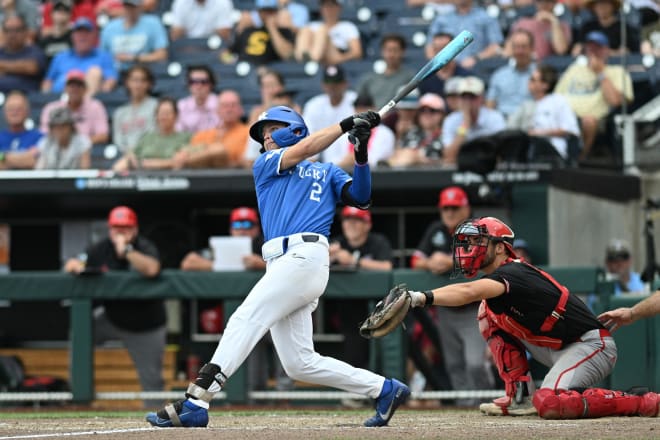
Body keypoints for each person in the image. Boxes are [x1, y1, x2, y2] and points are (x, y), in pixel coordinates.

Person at [146, 105, 410, 428]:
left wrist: (360, 150)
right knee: (299, 363)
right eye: (264, 132)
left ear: (295, 128)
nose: (266, 136)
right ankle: (384, 389)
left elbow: (362, 196)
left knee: (245, 317)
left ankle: (198, 398)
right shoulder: (267, 163)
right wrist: (344, 126)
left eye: (272, 128)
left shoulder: (326, 172)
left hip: (304, 256)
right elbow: (307, 148)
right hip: (283, 264)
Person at [402, 216, 659, 418]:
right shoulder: (499, 280)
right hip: (553, 344)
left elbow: (469, 291)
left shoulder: (515, 271)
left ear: (501, 248)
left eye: (480, 242)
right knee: (487, 313)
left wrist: (419, 297)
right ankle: (519, 397)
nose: (471, 248)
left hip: (590, 345)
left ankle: (640, 401)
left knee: (550, 403)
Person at [64, 205, 166, 408]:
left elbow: (152, 269)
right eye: (116, 228)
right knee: (81, 331)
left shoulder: (144, 246)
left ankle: (157, 423)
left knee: (152, 381)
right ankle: (80, 397)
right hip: (111, 318)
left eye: (126, 228)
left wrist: (127, 250)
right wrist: (75, 265)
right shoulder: (101, 248)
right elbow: (75, 263)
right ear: (110, 229)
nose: (120, 232)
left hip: (146, 325)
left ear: (135, 229)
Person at [411, 186, 492, 406]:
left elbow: (487, 260)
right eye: (446, 208)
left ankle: (486, 401)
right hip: (447, 308)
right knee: (454, 364)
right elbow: (415, 260)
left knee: (475, 363)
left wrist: (452, 261)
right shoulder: (436, 229)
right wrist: (430, 262)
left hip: (474, 309)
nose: (449, 212)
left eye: (455, 207)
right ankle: (465, 407)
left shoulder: (477, 228)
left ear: (466, 208)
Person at [327, 206, 393, 406]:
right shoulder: (338, 242)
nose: (351, 224)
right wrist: (329, 256)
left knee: (382, 354)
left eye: (357, 220)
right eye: (347, 220)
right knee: (352, 350)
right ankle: (356, 395)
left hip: (379, 309)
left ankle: (384, 392)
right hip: (347, 310)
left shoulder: (378, 242)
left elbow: (387, 267)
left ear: (367, 224)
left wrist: (354, 261)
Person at [555, 31, 633, 161]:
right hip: (566, 117)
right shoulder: (574, 69)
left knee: (589, 121)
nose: (593, 51)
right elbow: (556, 97)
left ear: (606, 50)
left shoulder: (617, 71)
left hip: (596, 120)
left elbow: (615, 101)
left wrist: (600, 73)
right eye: (590, 47)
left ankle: (580, 159)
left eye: (598, 47)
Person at [506, 64, 581, 164]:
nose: (529, 82)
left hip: (553, 149)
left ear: (545, 85)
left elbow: (570, 130)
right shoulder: (527, 104)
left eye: (533, 80)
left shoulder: (558, 100)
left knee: (534, 142)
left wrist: (537, 133)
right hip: (528, 144)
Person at [173, 90, 250, 169]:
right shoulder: (203, 134)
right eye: (225, 106)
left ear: (241, 110)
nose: (229, 109)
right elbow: (186, 153)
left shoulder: (249, 133)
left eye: (233, 105)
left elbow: (244, 161)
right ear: (217, 110)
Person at [41, 17, 118, 96]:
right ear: (72, 36)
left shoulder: (103, 57)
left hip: (87, 100)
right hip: (59, 100)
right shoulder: (60, 57)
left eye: (86, 33)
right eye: (79, 33)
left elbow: (110, 81)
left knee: (94, 72)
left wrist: (101, 95)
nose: (82, 36)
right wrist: (46, 98)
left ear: (94, 36)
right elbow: (48, 81)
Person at [112, 97, 191, 171]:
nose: (164, 117)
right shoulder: (148, 137)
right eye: (161, 113)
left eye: (167, 113)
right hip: (142, 178)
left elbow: (181, 161)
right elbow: (131, 156)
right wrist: (131, 157)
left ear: (176, 116)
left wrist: (148, 163)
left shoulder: (186, 137)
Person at [441, 76, 506, 165]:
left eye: (472, 97)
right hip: (461, 168)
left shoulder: (494, 118)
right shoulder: (451, 120)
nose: (467, 102)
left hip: (488, 167)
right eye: (463, 97)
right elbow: (449, 155)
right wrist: (465, 124)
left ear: (481, 98)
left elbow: (502, 154)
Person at [301, 64, 356, 164]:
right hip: (320, 157)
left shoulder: (355, 101)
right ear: (323, 85)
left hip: (348, 157)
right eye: (329, 83)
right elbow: (307, 136)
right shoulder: (313, 105)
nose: (332, 87)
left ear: (345, 84)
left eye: (336, 83)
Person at [426, 0, 504, 70]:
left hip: (476, 69)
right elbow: (430, 46)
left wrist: (476, 58)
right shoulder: (442, 19)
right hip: (445, 69)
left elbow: (496, 46)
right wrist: (438, 66)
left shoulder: (485, 17)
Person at [40, 70, 110, 146]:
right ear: (65, 88)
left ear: (85, 89)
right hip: (57, 150)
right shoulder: (51, 108)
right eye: (71, 85)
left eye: (79, 85)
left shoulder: (95, 106)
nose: (75, 89)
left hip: (86, 150)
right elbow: (44, 135)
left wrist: (76, 146)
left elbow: (103, 136)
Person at [99, 0, 168, 73]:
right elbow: (103, 55)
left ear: (141, 7)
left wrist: (133, 58)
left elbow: (162, 55)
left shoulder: (153, 23)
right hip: (116, 72)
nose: (130, 10)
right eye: (127, 6)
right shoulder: (110, 27)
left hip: (144, 71)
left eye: (133, 6)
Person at [335, 94, 395, 170]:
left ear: (373, 109)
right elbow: (332, 159)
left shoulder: (385, 133)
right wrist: (348, 160)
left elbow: (380, 162)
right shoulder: (343, 132)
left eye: (365, 109)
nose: (361, 113)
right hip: (343, 174)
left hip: (373, 175)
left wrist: (355, 158)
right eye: (358, 109)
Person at [355, 33, 415, 110]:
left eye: (395, 50)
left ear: (402, 52)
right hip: (373, 119)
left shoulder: (410, 78)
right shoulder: (369, 79)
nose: (391, 55)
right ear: (382, 52)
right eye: (388, 50)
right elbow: (359, 106)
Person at [485, 29, 535, 119]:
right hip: (502, 123)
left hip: (530, 122)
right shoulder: (499, 75)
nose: (520, 51)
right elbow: (490, 106)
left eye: (524, 47)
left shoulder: (539, 75)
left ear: (531, 48)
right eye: (516, 47)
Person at [294, 0, 362, 65]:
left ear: (339, 8)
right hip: (315, 51)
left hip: (336, 53)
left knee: (322, 30)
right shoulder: (312, 25)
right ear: (321, 9)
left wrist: (340, 59)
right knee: (306, 30)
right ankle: (300, 60)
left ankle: (312, 60)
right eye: (325, 6)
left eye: (332, 6)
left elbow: (357, 52)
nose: (329, 9)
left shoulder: (348, 26)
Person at [388, 93, 447, 167]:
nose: (427, 114)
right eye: (422, 110)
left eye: (432, 110)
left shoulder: (447, 134)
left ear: (442, 114)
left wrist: (421, 160)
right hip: (405, 174)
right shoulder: (410, 132)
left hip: (434, 175)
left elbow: (450, 162)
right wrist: (399, 135)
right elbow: (396, 155)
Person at [229, 0, 295, 66]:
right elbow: (228, 53)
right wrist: (238, 30)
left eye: (271, 11)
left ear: (277, 12)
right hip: (245, 67)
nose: (267, 15)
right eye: (264, 11)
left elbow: (288, 56)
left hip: (269, 70)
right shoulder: (248, 30)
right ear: (258, 12)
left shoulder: (284, 31)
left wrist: (272, 28)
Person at [111, 64, 158, 155]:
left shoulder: (156, 107)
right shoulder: (120, 112)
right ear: (127, 83)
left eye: (143, 80)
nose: (138, 84)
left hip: (150, 154)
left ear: (149, 84)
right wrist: (128, 153)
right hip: (125, 156)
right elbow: (118, 140)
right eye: (134, 80)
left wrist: (137, 152)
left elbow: (155, 135)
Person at [572, 0, 640, 56]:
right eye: (598, 4)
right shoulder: (587, 27)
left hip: (616, 67)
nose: (601, 7)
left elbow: (631, 52)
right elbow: (577, 49)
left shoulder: (623, 28)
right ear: (593, 7)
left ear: (612, 6)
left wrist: (611, 53)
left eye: (605, 3)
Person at [0, 13, 47, 93]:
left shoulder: (35, 51)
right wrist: (20, 67)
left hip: (27, 97)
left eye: (17, 30)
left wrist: (2, 67)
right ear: (3, 33)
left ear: (26, 32)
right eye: (8, 30)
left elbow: (32, 67)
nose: (12, 34)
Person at [418, 32, 472, 98]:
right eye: (437, 49)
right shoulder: (425, 79)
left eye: (444, 49)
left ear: (454, 49)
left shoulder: (465, 76)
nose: (440, 53)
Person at [0, 90, 43, 170]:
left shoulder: (39, 137)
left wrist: (3, 157)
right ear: (4, 112)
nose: (14, 113)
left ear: (27, 111)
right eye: (11, 109)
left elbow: (35, 162)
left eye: (19, 109)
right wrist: (23, 158)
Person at [175, 65, 219, 134]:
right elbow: (178, 132)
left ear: (211, 84)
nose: (199, 86)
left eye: (203, 82)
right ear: (188, 85)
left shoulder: (221, 104)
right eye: (194, 82)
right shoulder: (181, 106)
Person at [168, 0, 235, 41]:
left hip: (214, 46)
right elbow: (175, 35)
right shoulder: (180, 2)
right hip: (188, 46)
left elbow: (225, 34)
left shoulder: (222, 2)